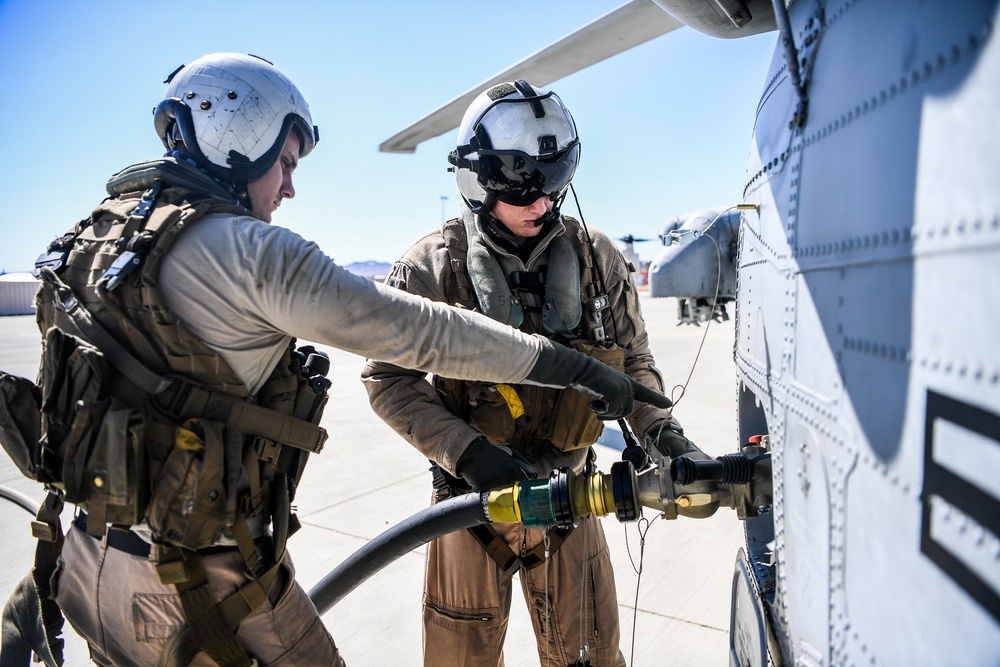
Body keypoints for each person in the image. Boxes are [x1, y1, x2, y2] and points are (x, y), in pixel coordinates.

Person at [0, 56, 668, 667]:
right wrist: (562, 376)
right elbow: (421, 335)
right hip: (202, 584)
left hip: (77, 560)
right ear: (242, 136)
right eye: (284, 162)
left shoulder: (87, 239)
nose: (289, 187)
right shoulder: (255, 255)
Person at [361, 80, 710, 667]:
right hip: (470, 507)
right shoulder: (430, 268)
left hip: (573, 497)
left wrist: (666, 437)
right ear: (480, 180)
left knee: (590, 657)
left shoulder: (599, 260)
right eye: (524, 188)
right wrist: (469, 454)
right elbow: (387, 379)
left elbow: (637, 365)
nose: (542, 203)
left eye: (553, 184)